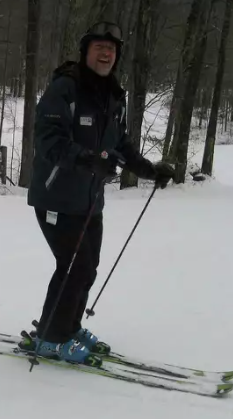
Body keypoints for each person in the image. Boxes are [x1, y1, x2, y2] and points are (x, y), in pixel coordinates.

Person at [24, 21, 175, 366]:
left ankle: (67, 327)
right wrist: (87, 160)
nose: (106, 53)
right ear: (85, 52)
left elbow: (118, 144)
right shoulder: (65, 89)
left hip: (89, 198)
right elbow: (48, 140)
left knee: (87, 267)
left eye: (111, 49)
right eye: (99, 47)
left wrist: (149, 170)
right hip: (56, 196)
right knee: (73, 267)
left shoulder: (112, 95)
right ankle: (50, 338)